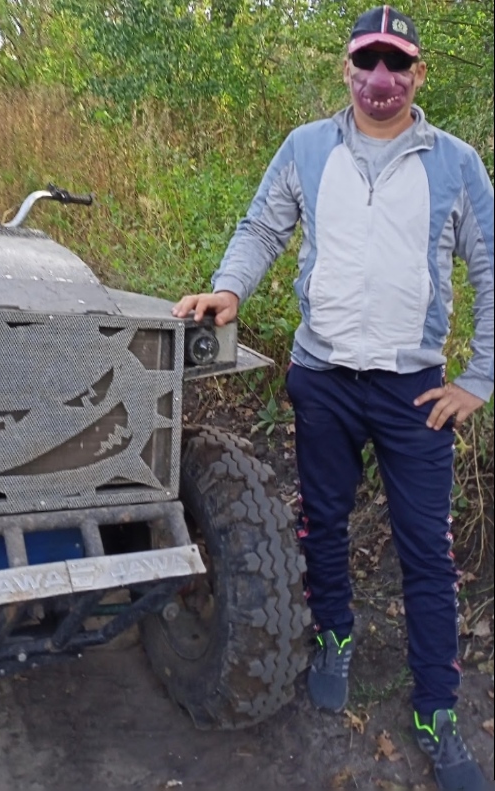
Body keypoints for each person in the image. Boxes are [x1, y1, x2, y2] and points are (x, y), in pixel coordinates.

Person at [172, 6, 493, 791]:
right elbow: (262, 227)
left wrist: (479, 379)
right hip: (323, 379)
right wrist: (228, 289)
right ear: (346, 68)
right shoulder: (307, 149)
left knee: (427, 549)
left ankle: (436, 709)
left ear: (418, 73)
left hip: (415, 391)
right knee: (323, 517)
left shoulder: (456, 164)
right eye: (367, 61)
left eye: (397, 62)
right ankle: (335, 636)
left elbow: (491, 269)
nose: (381, 78)